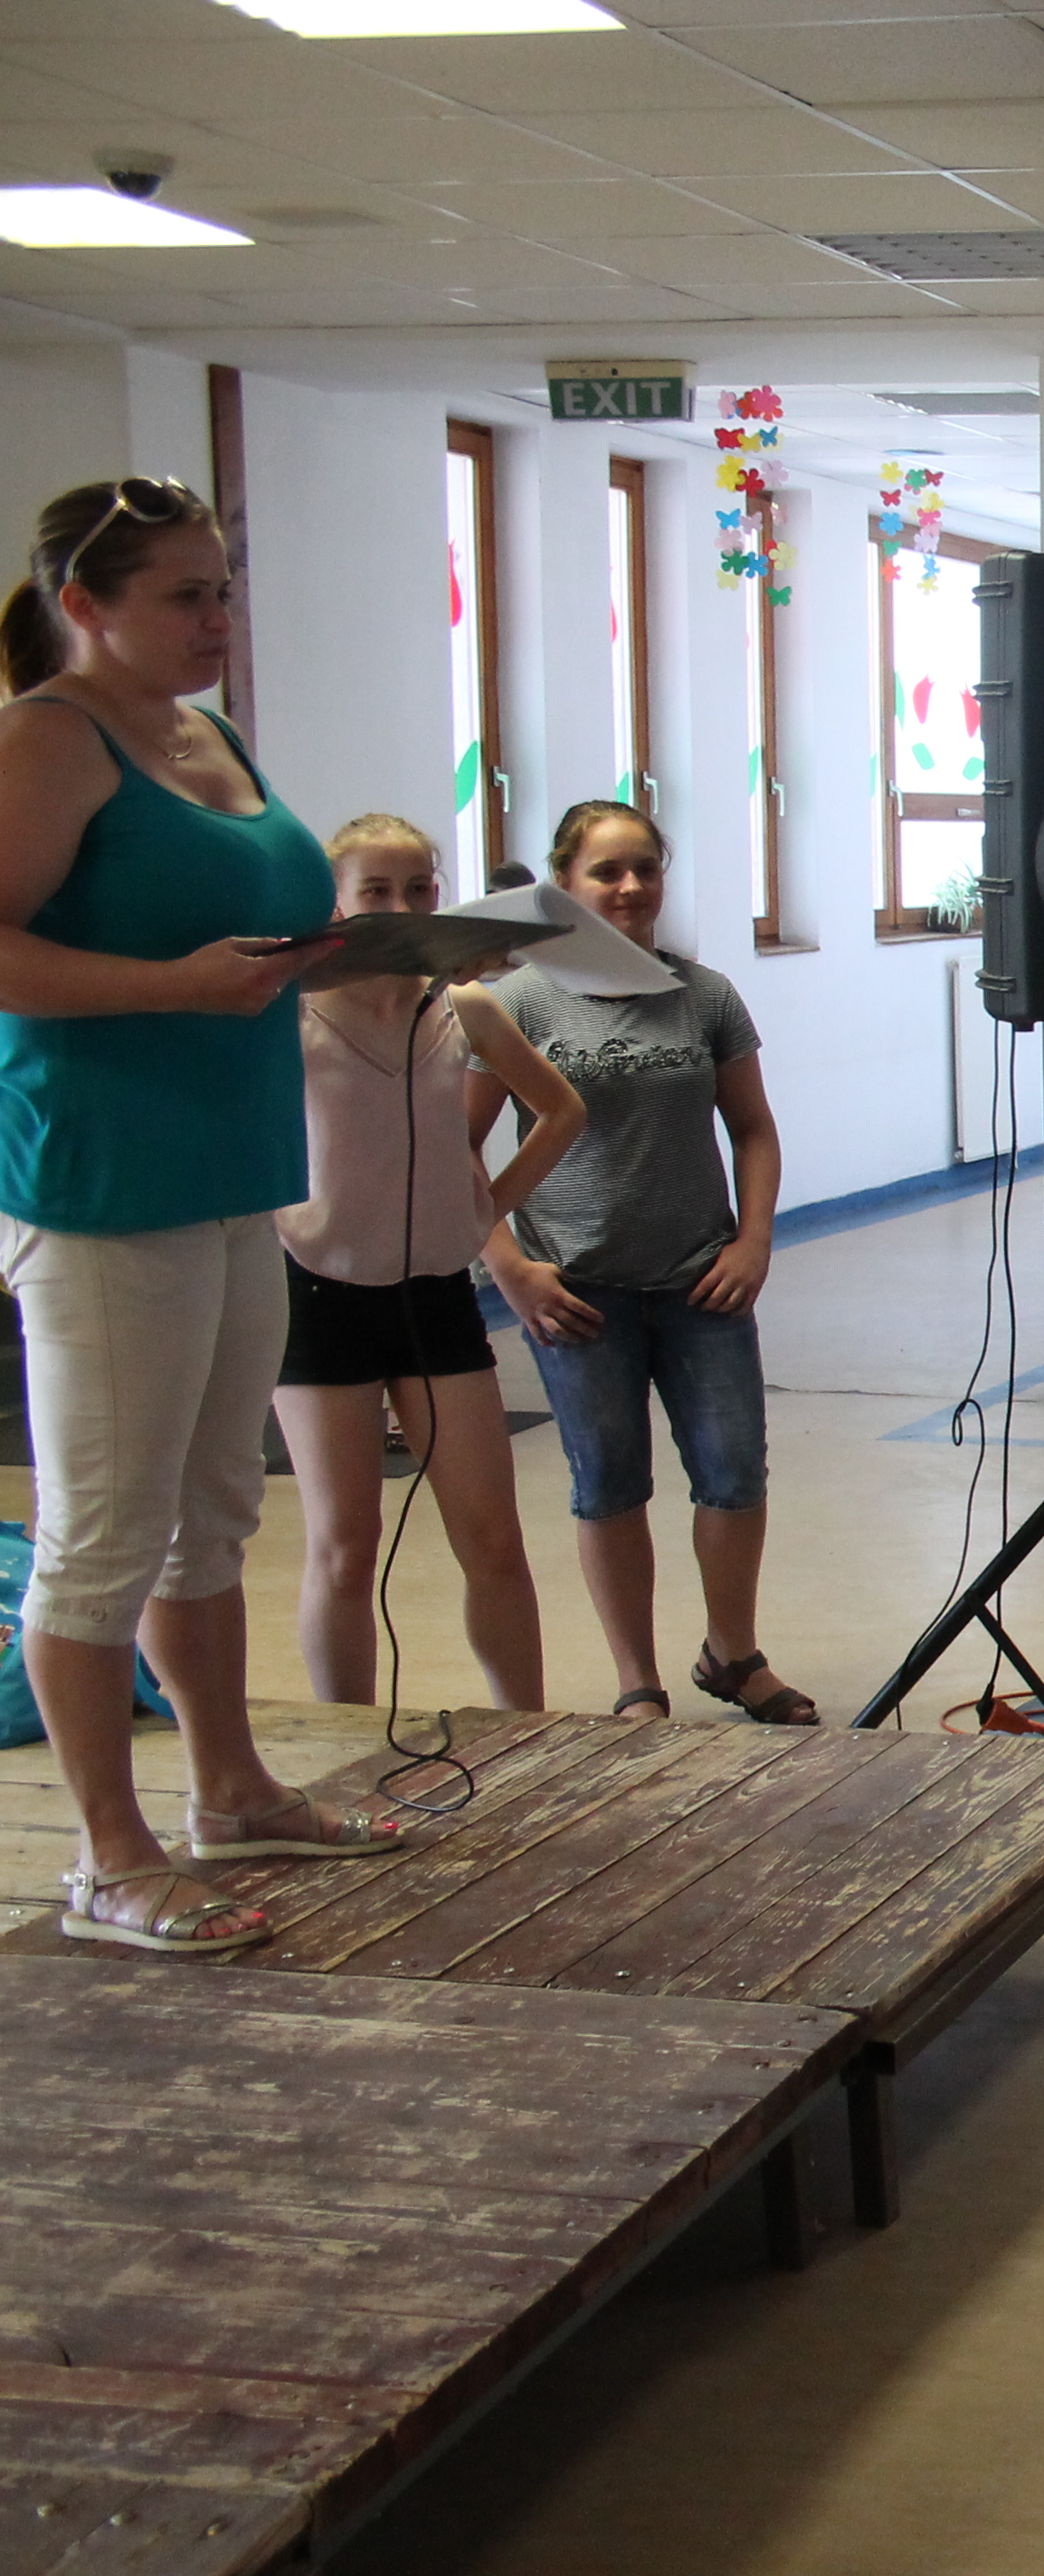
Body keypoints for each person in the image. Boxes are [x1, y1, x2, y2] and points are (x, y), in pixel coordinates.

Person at [0, 475, 395, 1954]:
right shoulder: (49, 739)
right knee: (105, 1527)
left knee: (214, 1509)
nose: (217, 617)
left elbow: (237, 932)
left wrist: (353, 952)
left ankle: (230, 1790)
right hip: (105, 1185)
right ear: (84, 604)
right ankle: (109, 1858)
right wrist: (172, 986)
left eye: (223, 588)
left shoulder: (208, 735)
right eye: (183, 594)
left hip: (235, 1170)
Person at [480, 800, 810, 1725]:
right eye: (606, 871)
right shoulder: (519, 1002)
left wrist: (754, 1240)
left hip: (702, 1280)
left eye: (646, 869)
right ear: (565, 885)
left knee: (734, 1474)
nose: (630, 887)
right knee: (609, 1483)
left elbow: (753, 1129)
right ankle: (637, 1681)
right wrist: (508, 1268)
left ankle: (732, 1654)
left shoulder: (703, 996)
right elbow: (455, 1153)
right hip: (575, 1292)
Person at [270, 813, 582, 1709]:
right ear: (337, 902)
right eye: (377, 890)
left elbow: (562, 1111)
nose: (401, 908)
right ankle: (347, 1736)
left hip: (435, 1296)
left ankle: (525, 1728)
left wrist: (486, 1206)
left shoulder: (462, 1006)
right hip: (319, 1295)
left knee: (491, 1539)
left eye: (418, 889)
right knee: (345, 1545)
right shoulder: (292, 1014)